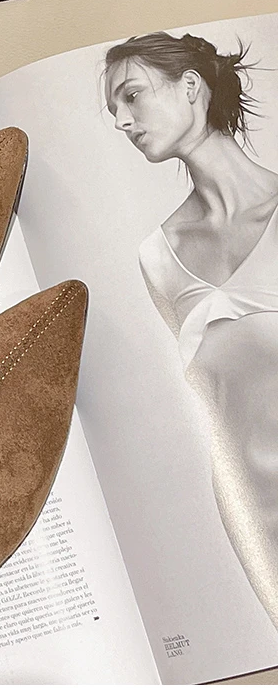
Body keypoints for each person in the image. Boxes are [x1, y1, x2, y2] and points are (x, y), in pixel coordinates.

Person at [104, 31, 278, 629]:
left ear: (191, 86)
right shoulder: (159, 257)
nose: (122, 121)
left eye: (132, 96)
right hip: (257, 514)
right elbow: (209, 402)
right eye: (113, 110)